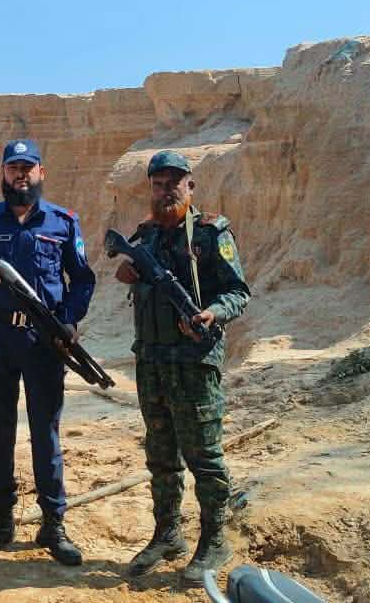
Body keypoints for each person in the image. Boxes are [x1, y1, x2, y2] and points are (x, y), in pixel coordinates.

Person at [0, 138, 96, 566]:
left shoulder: (63, 222)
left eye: (28, 167)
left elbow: (82, 279)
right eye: (13, 167)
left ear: (40, 173)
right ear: (3, 173)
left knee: (45, 432)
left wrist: (69, 321)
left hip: (43, 341)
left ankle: (53, 524)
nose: (20, 175)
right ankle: (1, 521)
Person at [116, 150, 250, 582]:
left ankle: (214, 540)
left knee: (204, 458)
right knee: (161, 457)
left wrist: (212, 313)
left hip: (194, 365)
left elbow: (238, 292)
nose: (165, 190)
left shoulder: (211, 233)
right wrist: (128, 273)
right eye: (158, 184)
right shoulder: (146, 237)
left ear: (190, 186)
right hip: (151, 362)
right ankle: (167, 534)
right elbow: (135, 279)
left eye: (174, 183)